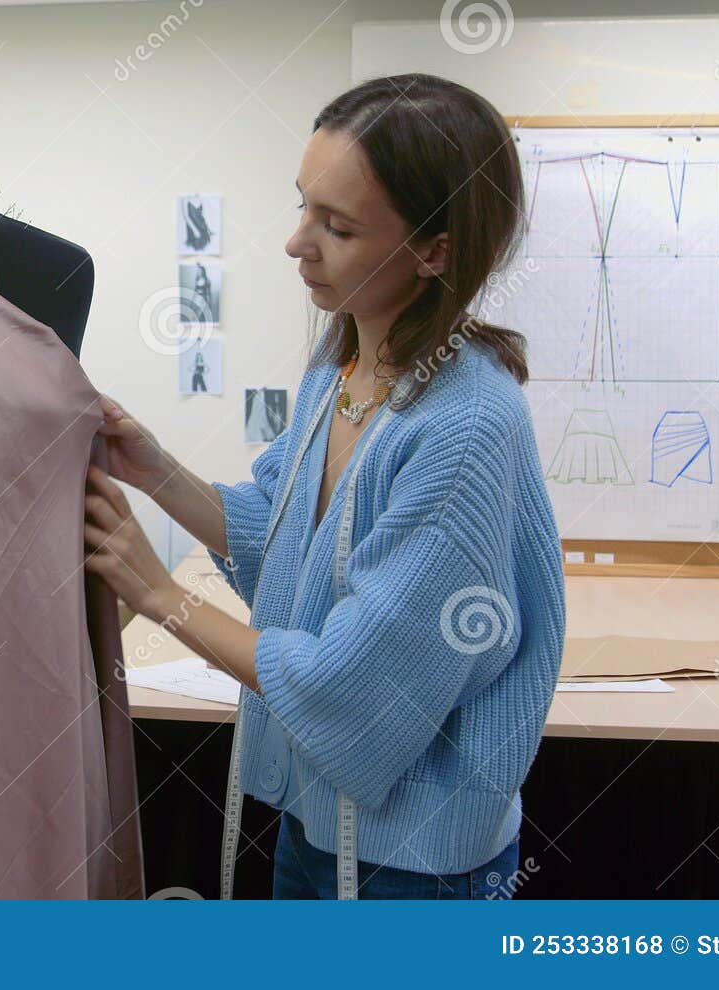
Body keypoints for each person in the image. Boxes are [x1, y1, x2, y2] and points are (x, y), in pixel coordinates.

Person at [84, 73, 566, 899]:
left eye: (336, 226)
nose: (295, 241)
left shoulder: (462, 429)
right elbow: (285, 534)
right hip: (320, 815)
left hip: (414, 861)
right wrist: (154, 468)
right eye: (302, 204)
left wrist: (163, 596)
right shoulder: (342, 365)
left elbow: (350, 683)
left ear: (436, 250)